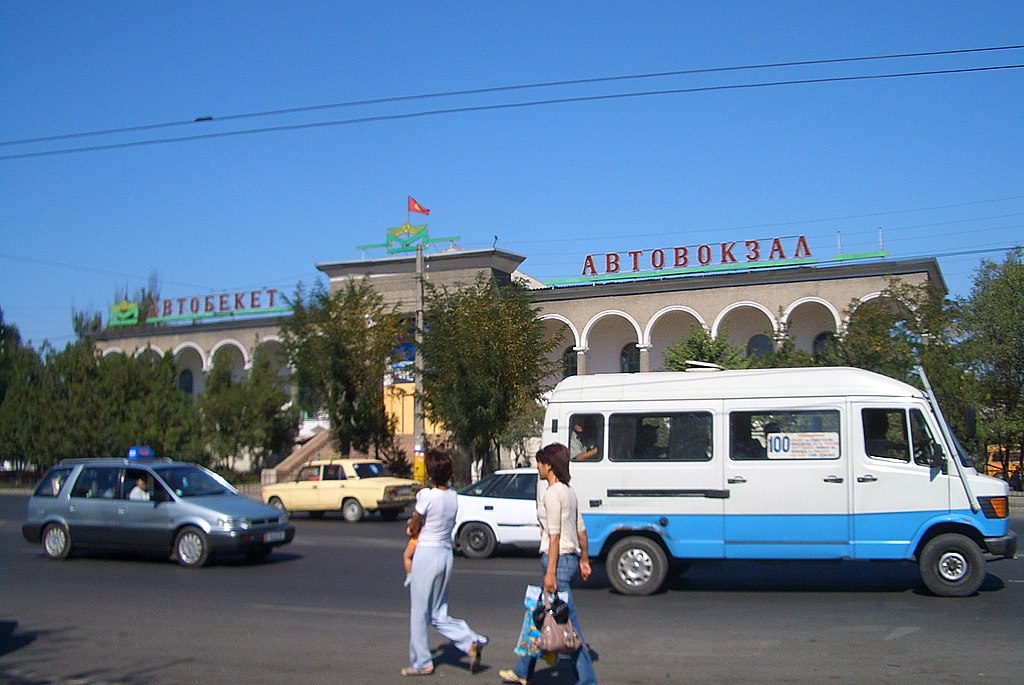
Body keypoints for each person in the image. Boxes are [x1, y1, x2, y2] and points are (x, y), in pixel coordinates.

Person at [500, 443, 597, 685]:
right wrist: (584, 558)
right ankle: (523, 671)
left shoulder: (553, 493)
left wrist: (551, 573)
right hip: (568, 559)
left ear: (550, 466)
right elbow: (581, 529)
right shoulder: (569, 491)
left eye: (541, 463)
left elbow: (554, 536)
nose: (538, 467)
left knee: (566, 625)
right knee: (541, 617)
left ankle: (587, 680)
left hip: (558, 562)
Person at [402, 450, 487, 677]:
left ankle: (422, 662)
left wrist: (411, 526)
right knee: (439, 612)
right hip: (445, 554)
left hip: (427, 553)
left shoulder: (426, 496)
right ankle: (470, 640)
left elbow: (414, 524)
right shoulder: (453, 496)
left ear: (430, 474)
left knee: (419, 612)